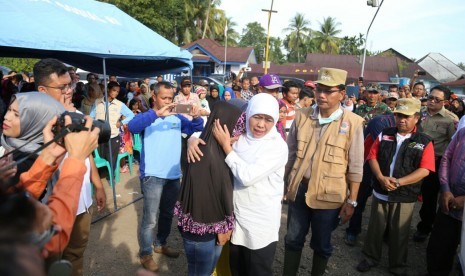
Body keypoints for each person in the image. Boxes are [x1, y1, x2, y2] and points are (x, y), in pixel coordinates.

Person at [283, 68, 364, 276]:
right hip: (299, 190)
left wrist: (352, 201)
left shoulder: (353, 123)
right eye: (319, 89)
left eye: (329, 91)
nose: (321, 95)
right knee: (292, 240)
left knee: (321, 245)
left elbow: (355, 167)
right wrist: (284, 185)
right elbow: (289, 156)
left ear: (342, 94)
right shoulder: (302, 116)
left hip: (329, 196)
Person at [128, 81, 204, 272]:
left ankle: (160, 244)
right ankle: (146, 253)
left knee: (167, 214)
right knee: (150, 218)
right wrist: (156, 114)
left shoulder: (177, 117)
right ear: (154, 97)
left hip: (173, 175)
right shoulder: (147, 117)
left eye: (171, 98)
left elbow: (194, 126)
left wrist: (195, 116)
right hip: (152, 175)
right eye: (164, 98)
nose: (168, 101)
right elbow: (132, 127)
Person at [357, 98, 435, 275]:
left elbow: (425, 170)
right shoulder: (385, 133)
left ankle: (397, 265)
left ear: (416, 118)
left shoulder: (424, 141)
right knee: (375, 228)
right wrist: (380, 177)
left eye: (407, 116)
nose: (402, 119)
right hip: (381, 190)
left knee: (400, 232)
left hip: (405, 194)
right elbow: (372, 156)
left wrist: (399, 182)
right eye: (399, 115)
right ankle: (370, 257)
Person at [213, 93, 288, 276]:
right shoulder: (242, 137)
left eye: (268, 119)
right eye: (257, 117)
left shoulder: (276, 146)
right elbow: (204, 134)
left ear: (275, 119)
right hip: (238, 219)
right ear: (248, 115)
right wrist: (192, 140)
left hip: (260, 224)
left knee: (257, 270)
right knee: (237, 269)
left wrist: (227, 148)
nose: (261, 125)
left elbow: (247, 176)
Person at [175, 101, 242, 275]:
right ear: (224, 124)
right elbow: (210, 197)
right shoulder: (205, 154)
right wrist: (222, 227)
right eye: (237, 124)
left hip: (209, 228)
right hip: (203, 230)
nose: (239, 131)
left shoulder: (212, 147)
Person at [413, 85, 458, 243]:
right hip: (414, 159)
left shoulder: (451, 120)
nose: (431, 101)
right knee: (408, 191)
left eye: (436, 99)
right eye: (430, 97)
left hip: (435, 163)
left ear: (445, 102)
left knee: (429, 198)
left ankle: (424, 228)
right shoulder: (419, 114)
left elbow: (454, 145)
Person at [1, 93, 64, 188]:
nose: (7, 117)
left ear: (38, 123)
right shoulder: (6, 140)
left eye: (16, 114)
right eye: (9, 110)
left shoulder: (30, 162)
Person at [426, 127, 465, 275]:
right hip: (448, 202)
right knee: (439, 247)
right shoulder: (463, 133)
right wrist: (445, 188)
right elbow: (447, 158)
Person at [90, 81, 134, 171]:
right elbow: (91, 116)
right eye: (114, 90)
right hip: (100, 135)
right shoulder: (97, 102)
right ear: (108, 89)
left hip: (113, 135)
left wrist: (121, 122)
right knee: (101, 156)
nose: (115, 93)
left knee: (112, 158)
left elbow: (131, 115)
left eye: (117, 92)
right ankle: (104, 175)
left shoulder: (119, 104)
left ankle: (112, 177)